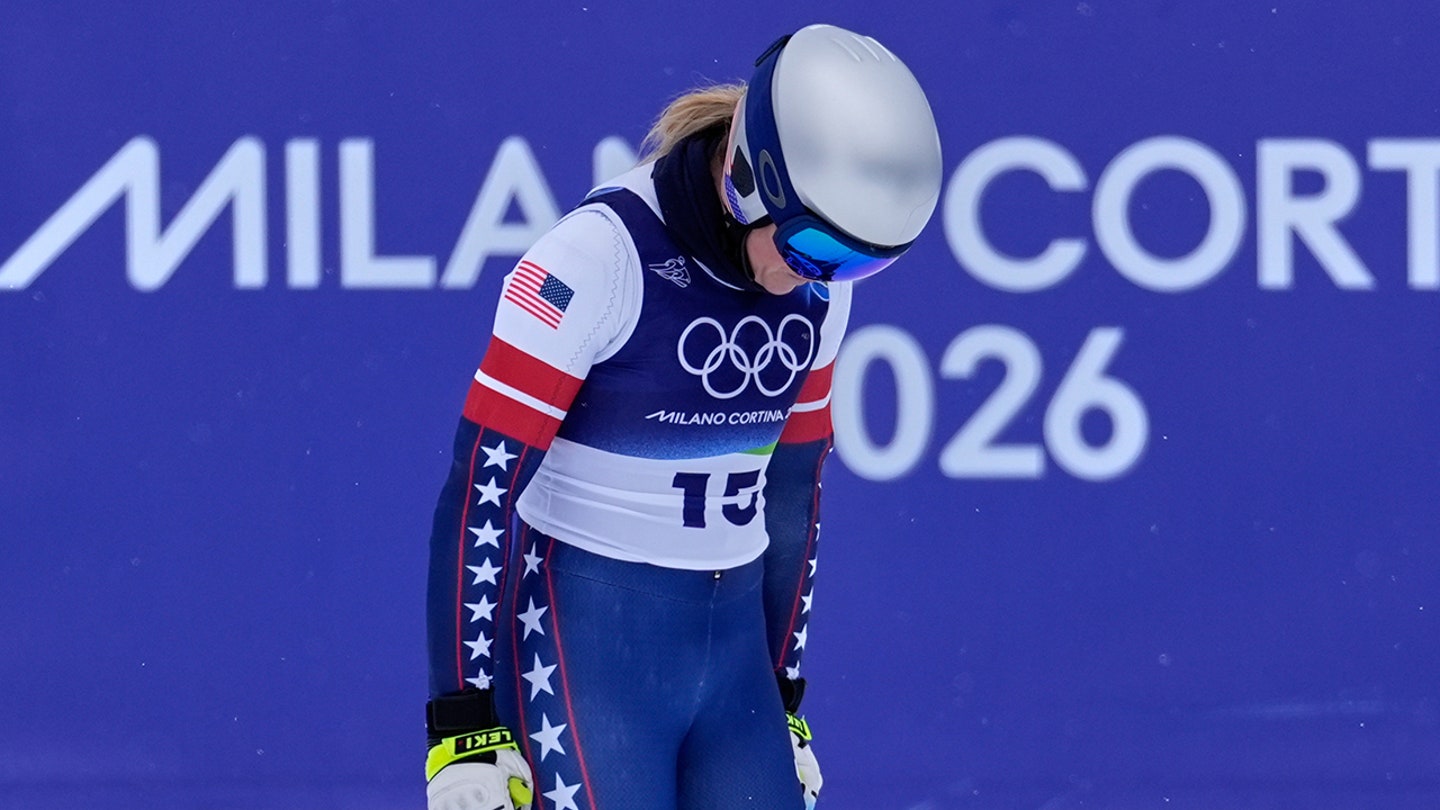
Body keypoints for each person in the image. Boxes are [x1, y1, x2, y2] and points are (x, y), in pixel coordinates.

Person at [423, 23, 942, 810]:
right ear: (749, 178)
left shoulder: (819, 293)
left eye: (859, 263)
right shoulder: (594, 259)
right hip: (588, 652)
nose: (816, 278)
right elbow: (480, 491)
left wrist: (785, 697)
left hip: (731, 667)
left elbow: (792, 494)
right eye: (812, 248)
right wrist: (462, 725)